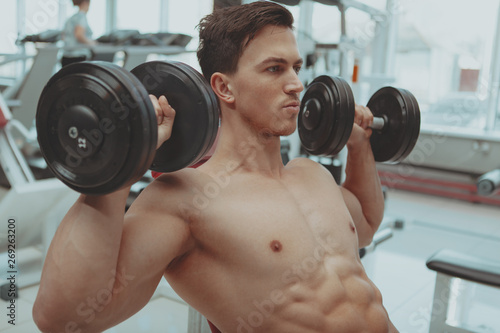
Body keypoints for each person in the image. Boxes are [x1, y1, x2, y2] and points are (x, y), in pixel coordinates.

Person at [33, 2, 398, 332]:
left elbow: (365, 223)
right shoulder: (185, 198)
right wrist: (122, 155)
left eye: (296, 68)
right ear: (224, 88)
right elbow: (65, 318)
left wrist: (359, 145)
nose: (297, 85)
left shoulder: (312, 174)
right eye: (275, 69)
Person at [61, 0, 96, 67]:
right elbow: (79, 35)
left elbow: (63, 37)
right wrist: (91, 43)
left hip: (66, 57)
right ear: (85, 3)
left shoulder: (70, 19)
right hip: (78, 57)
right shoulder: (81, 17)